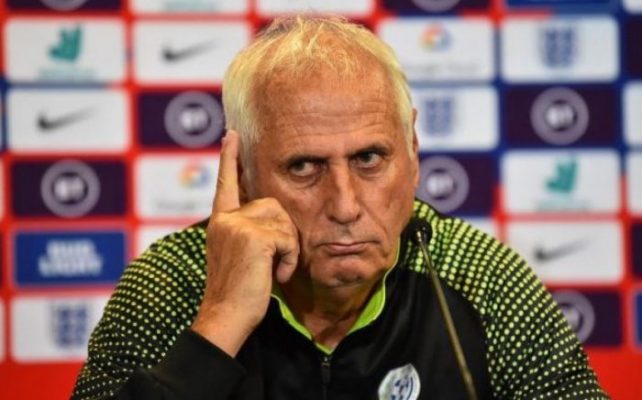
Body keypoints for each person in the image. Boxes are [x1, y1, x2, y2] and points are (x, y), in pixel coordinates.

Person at [72, 16, 608, 400]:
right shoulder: (172, 285)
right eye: (304, 166)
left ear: (413, 151)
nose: (346, 206)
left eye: (370, 158)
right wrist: (221, 321)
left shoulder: (480, 279)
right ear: (242, 174)